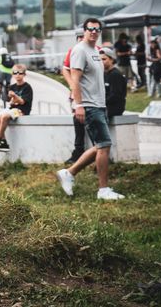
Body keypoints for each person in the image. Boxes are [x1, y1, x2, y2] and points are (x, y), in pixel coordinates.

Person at [56, 18, 125, 200]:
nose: (94, 32)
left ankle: (69, 173)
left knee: (100, 145)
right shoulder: (80, 50)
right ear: (84, 30)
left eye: (97, 29)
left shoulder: (95, 51)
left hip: (99, 104)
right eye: (90, 29)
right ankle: (103, 190)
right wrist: (79, 105)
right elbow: (75, 79)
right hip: (89, 105)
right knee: (104, 145)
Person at [0, 64, 33, 152]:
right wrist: (12, 99)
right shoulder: (12, 87)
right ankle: (4, 143)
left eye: (20, 73)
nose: (17, 75)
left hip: (22, 110)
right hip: (13, 109)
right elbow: (10, 102)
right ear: (12, 74)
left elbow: (22, 102)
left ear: (24, 74)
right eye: (15, 73)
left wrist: (15, 96)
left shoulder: (27, 87)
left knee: (5, 116)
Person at [63, 29, 87, 164]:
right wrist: (72, 86)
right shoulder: (73, 51)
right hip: (78, 92)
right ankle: (79, 150)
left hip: (93, 94)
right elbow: (65, 69)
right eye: (78, 37)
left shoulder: (97, 50)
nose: (80, 39)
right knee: (78, 120)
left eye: (82, 37)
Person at [101, 47, 127, 117]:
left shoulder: (115, 74)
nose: (101, 62)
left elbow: (116, 95)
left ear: (112, 60)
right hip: (104, 106)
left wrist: (101, 103)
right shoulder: (103, 73)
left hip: (113, 108)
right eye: (99, 60)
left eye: (104, 59)